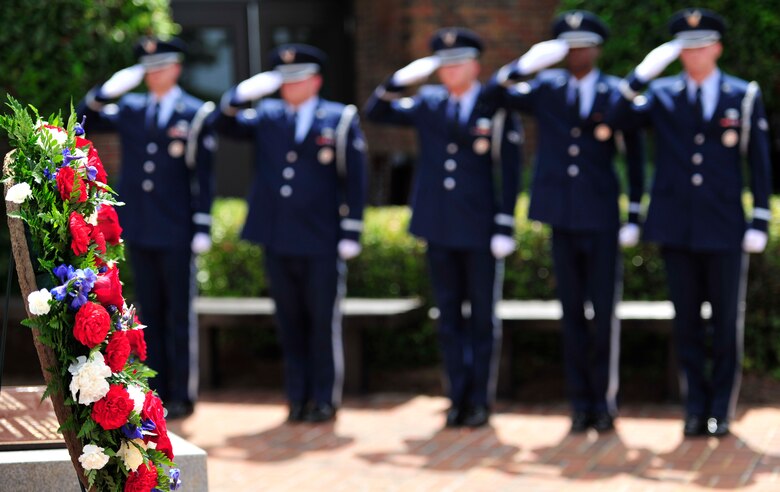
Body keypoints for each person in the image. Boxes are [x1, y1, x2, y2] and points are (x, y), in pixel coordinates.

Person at [613, 8, 772, 437]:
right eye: (687, 48)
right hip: (676, 225)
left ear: (717, 48)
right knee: (686, 323)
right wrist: (640, 76)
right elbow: (616, 117)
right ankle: (693, 408)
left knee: (724, 325)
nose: (695, 54)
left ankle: (721, 409)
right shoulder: (662, 95)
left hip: (723, 226)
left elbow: (759, 162)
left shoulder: (743, 95)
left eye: (702, 46)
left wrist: (760, 217)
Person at [493, 10, 645, 433]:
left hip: (600, 218)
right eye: (569, 47)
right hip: (561, 216)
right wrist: (525, 65)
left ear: (597, 49)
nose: (578, 53)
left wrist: (634, 210)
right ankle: (579, 403)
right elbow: (497, 93)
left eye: (585, 45)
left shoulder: (617, 92)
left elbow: (634, 155)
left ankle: (604, 402)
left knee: (604, 314)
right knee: (572, 314)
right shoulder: (546, 88)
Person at [364, 28, 522, 428]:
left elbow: (511, 167)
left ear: (475, 66)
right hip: (439, 225)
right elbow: (377, 111)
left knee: (483, 317)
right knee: (449, 316)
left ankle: (480, 400)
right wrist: (399, 80)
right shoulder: (429, 102)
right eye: (444, 65)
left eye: (458, 63)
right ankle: (456, 397)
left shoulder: (495, 103)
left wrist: (505, 222)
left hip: (482, 228)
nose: (451, 72)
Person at [213, 44, 367, 423]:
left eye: (296, 79)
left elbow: (356, 179)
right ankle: (297, 397)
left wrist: (352, 230)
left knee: (321, 321)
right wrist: (239, 95)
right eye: (283, 80)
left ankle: (324, 399)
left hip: (321, 238)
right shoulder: (267, 114)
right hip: (278, 236)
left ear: (315, 80)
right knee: (290, 322)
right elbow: (223, 124)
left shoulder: (339, 118)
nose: (289, 86)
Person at [77, 37, 216, 419]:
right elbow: (85, 116)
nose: (155, 74)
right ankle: (154, 389)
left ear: (177, 68)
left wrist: (202, 222)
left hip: (177, 228)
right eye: (148, 69)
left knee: (179, 314)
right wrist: (107, 90)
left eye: (162, 66)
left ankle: (182, 393)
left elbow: (203, 175)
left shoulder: (196, 112)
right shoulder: (133, 107)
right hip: (139, 226)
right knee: (146, 313)